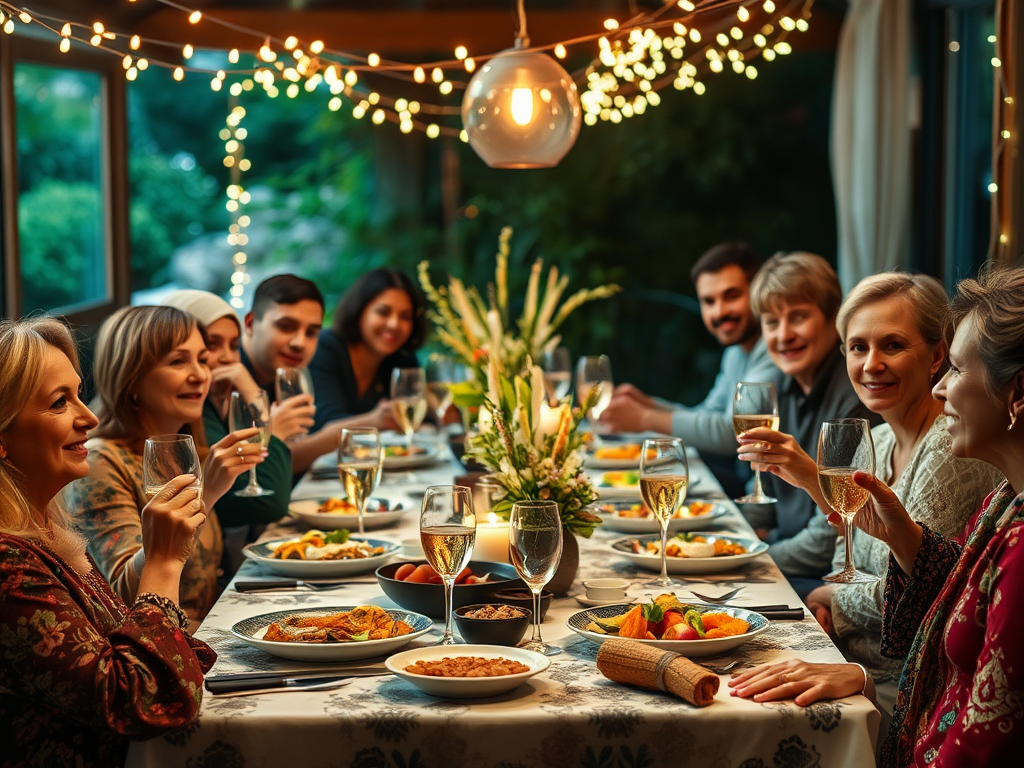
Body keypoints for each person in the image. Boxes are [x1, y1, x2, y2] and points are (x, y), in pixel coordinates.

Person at [729, 267, 1024, 767]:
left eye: (956, 369)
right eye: (857, 347)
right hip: (870, 670)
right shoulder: (995, 498)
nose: (870, 364)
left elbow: (976, 709)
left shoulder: (960, 461)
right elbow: (939, 585)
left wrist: (826, 599)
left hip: (893, 688)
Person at [0, 317, 215, 767]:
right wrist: (162, 562)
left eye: (80, 394)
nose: (89, 417)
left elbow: (156, 651)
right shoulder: (8, 566)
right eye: (61, 402)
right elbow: (139, 701)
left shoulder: (50, 538)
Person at [68, 306, 265, 623]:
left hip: (209, 633)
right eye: (178, 361)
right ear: (131, 378)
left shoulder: (186, 453)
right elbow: (125, 598)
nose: (200, 374)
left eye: (202, 359)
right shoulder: (100, 461)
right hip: (163, 652)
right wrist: (208, 493)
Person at [741, 251, 879, 597]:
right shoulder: (780, 388)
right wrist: (739, 541)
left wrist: (751, 560)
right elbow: (763, 488)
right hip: (786, 557)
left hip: (820, 577)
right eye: (772, 322)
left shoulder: (855, 399)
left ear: (833, 319)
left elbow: (828, 537)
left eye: (798, 317)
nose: (784, 334)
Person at [161, 289, 304, 576]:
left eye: (234, 345)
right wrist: (270, 429)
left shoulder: (209, 411)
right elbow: (265, 502)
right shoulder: (193, 416)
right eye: (213, 345)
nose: (228, 359)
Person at [599, 242, 776, 455]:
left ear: (758, 293)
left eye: (732, 296)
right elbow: (709, 415)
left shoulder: (774, 348)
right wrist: (649, 405)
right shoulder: (735, 352)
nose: (719, 312)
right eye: (709, 301)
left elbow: (735, 434)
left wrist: (644, 418)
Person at [308, 268, 426, 431]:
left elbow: (421, 421)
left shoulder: (403, 360)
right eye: (383, 312)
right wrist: (374, 420)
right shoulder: (326, 348)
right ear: (359, 310)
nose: (394, 324)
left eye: (405, 317)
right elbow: (324, 422)